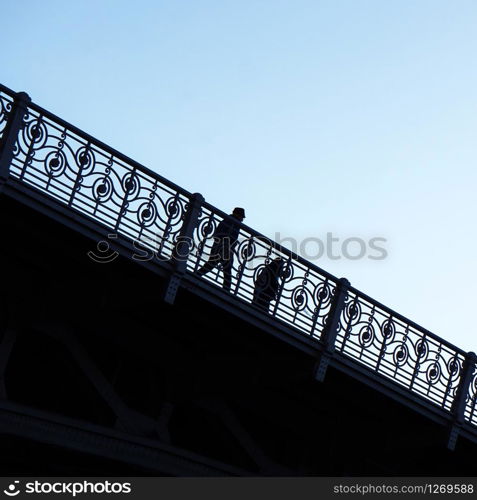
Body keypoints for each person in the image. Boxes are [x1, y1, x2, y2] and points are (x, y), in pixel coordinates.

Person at [197, 207, 245, 291]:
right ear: (238, 215)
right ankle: (226, 290)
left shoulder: (228, 220)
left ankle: (197, 275)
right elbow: (224, 235)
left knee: (213, 265)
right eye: (242, 217)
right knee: (225, 270)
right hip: (223, 248)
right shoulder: (232, 222)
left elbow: (218, 234)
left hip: (221, 247)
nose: (242, 219)